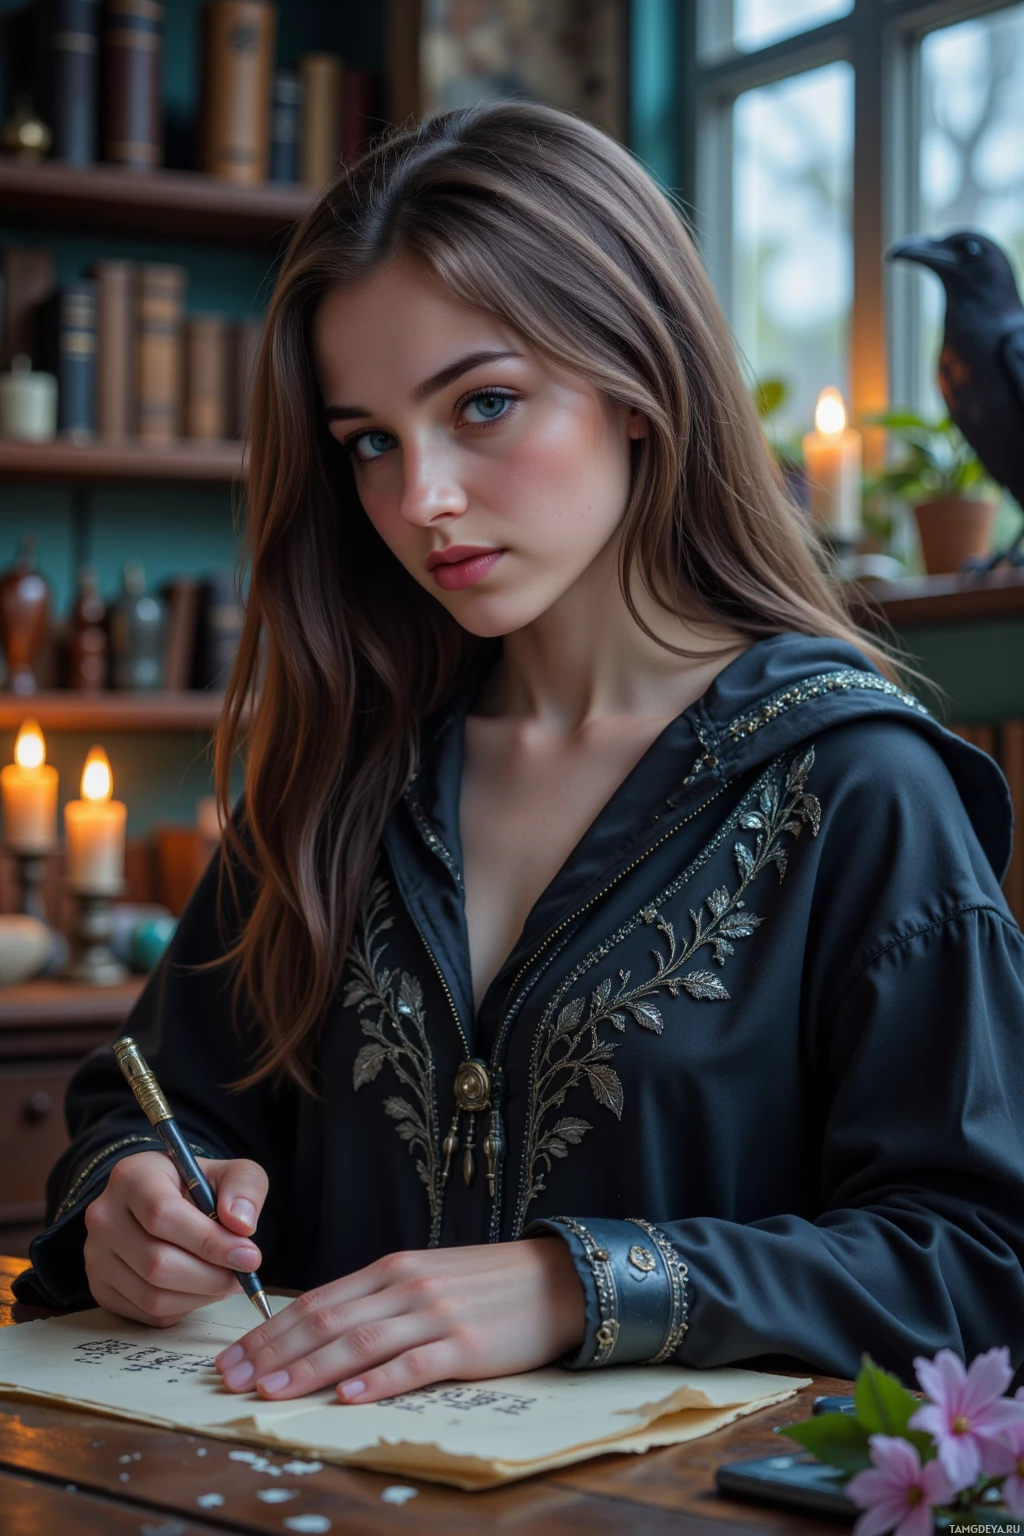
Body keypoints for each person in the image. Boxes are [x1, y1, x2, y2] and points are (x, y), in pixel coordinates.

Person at [17, 101, 1024, 1407]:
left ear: (641, 384)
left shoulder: (855, 789)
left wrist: (578, 1283)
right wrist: (135, 1203)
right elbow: (155, 1103)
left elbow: (980, 1260)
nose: (419, 497)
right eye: (369, 441)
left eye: (483, 403)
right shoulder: (341, 775)